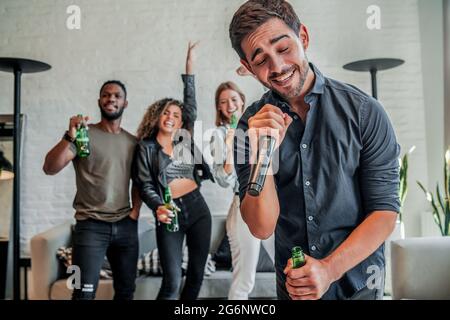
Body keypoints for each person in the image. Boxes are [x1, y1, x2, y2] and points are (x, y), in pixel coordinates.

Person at [229, 0, 400, 300]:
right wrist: (262, 156)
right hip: (294, 290)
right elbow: (261, 226)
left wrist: (328, 269)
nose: (278, 67)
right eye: (261, 60)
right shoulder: (249, 126)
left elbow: (384, 212)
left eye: (283, 49)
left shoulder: (364, 112)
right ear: (248, 67)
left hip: (359, 285)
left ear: (303, 38)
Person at [43, 80, 141, 300]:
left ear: (125, 103)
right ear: (99, 101)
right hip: (90, 227)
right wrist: (69, 136)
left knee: (126, 292)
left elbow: (140, 181)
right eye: (106, 95)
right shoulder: (82, 136)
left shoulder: (132, 142)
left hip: (125, 226)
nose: (111, 99)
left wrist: (134, 212)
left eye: (117, 96)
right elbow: (49, 168)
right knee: (83, 293)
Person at [133, 42, 214, 300]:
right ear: (158, 116)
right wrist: (158, 206)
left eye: (176, 115)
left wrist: (190, 65)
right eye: (167, 112)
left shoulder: (183, 138)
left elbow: (191, 100)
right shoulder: (145, 148)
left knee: (196, 276)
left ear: (182, 121)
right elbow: (144, 184)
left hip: (198, 208)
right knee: (172, 281)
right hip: (169, 211)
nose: (171, 117)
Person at [210, 81, 274, 300]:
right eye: (223, 102)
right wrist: (229, 148)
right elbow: (224, 179)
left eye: (234, 100)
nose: (230, 105)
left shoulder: (257, 126)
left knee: (288, 267)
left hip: (273, 202)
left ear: (243, 101)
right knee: (245, 279)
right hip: (243, 204)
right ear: (218, 107)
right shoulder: (218, 135)